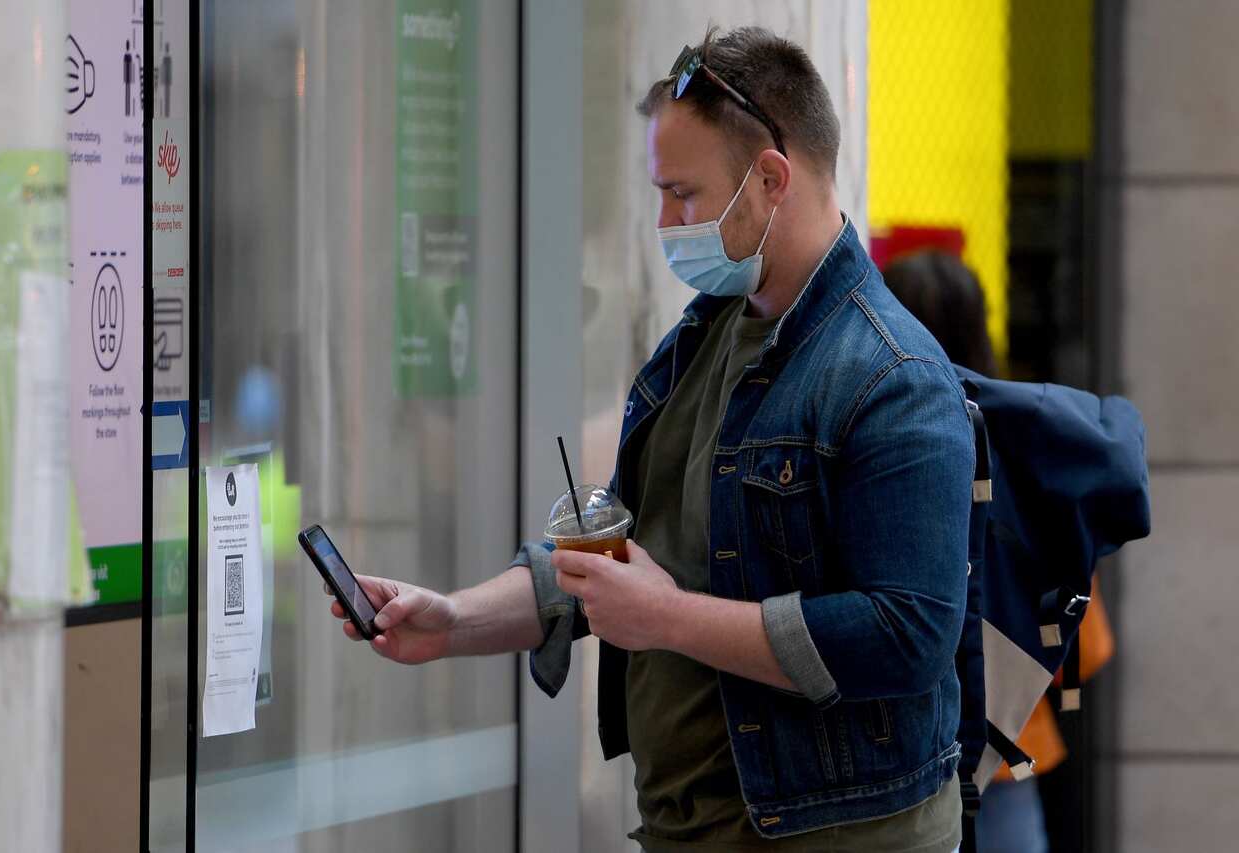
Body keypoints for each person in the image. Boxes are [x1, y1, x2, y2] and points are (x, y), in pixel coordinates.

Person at [328, 27, 972, 851]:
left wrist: (670, 619)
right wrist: (452, 621)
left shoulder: (894, 374)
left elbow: (907, 634)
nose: (666, 223)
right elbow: (616, 562)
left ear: (772, 179)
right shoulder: (701, 342)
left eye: (685, 195)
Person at [883, 250, 1116, 853]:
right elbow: (1086, 644)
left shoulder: (873, 452)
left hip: (890, 759)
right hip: (1006, 750)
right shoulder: (1027, 452)